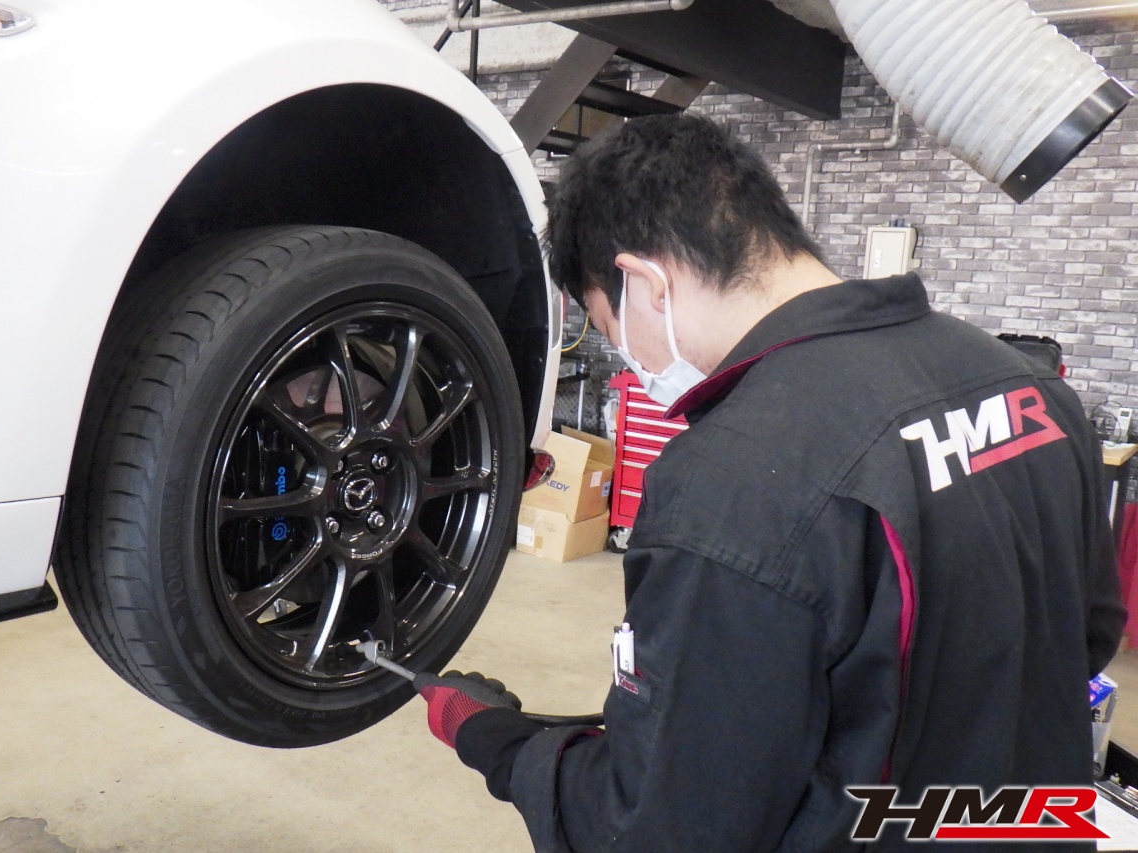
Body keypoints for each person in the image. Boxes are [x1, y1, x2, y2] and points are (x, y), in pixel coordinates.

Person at [413, 113, 1126, 851]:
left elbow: (665, 827)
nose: (629, 359)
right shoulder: (1025, 386)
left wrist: (499, 743)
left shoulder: (734, 482)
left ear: (645, 283)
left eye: (608, 323)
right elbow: (1090, 632)